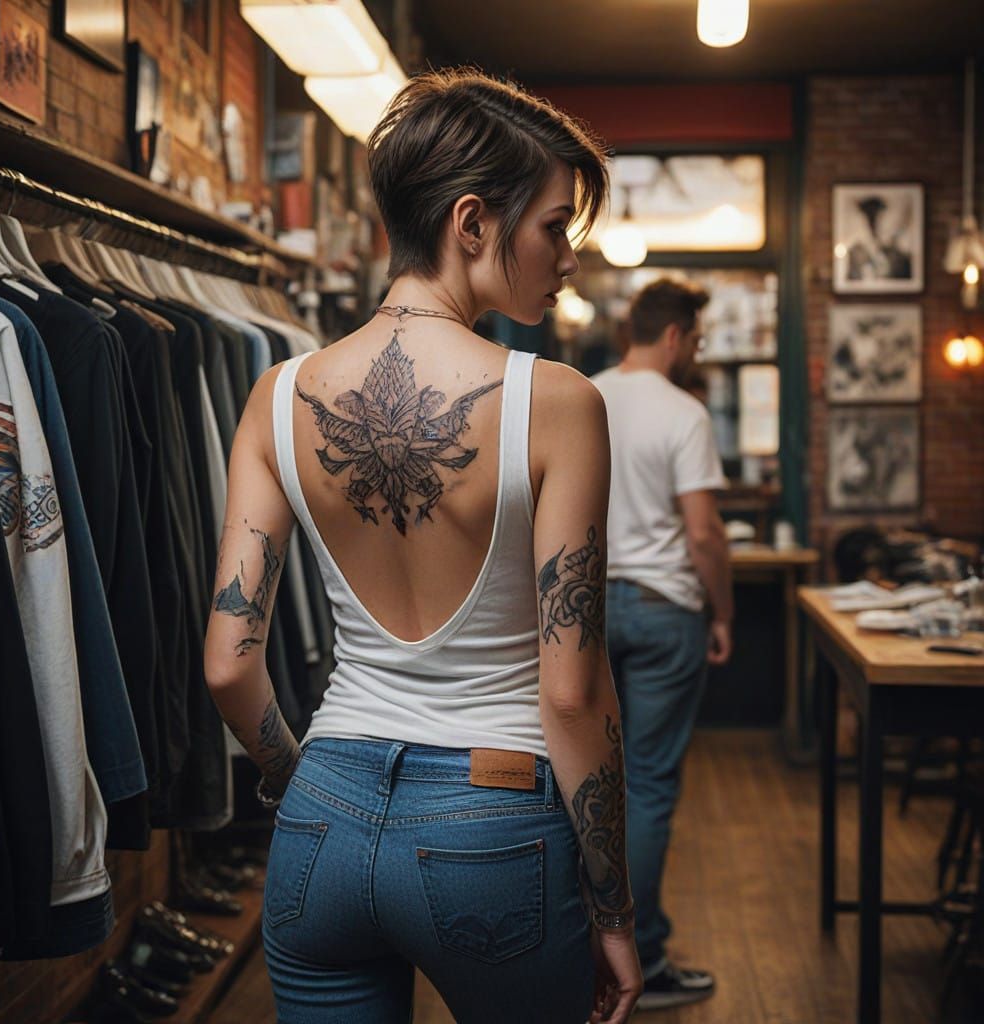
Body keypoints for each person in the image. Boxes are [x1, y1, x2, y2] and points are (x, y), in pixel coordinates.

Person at [203, 68, 642, 1024]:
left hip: (322, 816)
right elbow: (572, 694)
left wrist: (300, 782)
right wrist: (614, 906)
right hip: (493, 825)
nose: (569, 259)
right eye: (555, 227)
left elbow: (229, 665)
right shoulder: (557, 403)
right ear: (472, 223)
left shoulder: (277, 398)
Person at [591, 278, 732, 1010]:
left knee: (588, 781)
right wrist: (724, 612)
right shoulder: (684, 412)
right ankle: (640, 957)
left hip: (585, 609)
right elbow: (703, 533)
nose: (696, 352)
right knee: (646, 785)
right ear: (674, 336)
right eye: (697, 339)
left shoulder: (583, 393)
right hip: (663, 608)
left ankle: (582, 954)